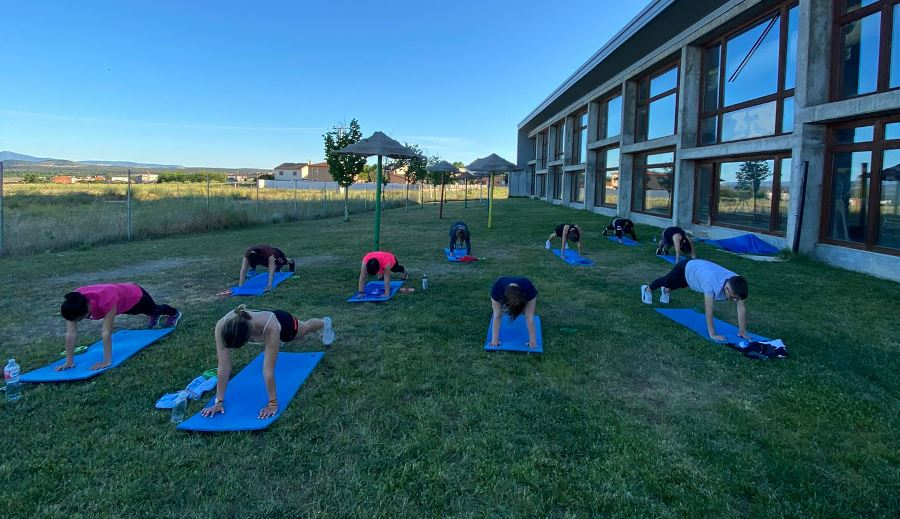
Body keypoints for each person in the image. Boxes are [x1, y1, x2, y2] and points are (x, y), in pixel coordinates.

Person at [201, 305, 334, 419]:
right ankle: (274, 343)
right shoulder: (221, 327)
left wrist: (273, 404)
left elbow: (268, 370)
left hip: (282, 323)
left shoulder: (270, 326)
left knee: (304, 329)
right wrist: (218, 402)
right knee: (272, 343)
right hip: (261, 327)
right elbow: (223, 367)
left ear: (249, 337)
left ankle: (324, 323)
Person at [58, 283, 182, 371]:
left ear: (89, 306)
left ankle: (174, 313)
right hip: (121, 301)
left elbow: (106, 332)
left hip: (135, 296)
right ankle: (153, 315)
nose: (82, 320)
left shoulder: (106, 299)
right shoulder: (74, 303)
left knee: (153, 309)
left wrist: (106, 361)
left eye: (82, 317)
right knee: (149, 312)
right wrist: (69, 361)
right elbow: (71, 333)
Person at [641, 259, 750, 342]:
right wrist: (712, 334)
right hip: (685, 269)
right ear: (726, 288)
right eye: (732, 297)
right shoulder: (710, 282)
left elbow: (741, 307)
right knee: (667, 281)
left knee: (679, 284)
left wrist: (742, 330)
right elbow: (709, 310)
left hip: (695, 275)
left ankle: (665, 291)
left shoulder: (737, 282)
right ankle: (647, 289)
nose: (734, 300)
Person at [489, 276, 539, 349]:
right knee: (497, 313)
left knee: (529, 315)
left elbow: (529, 317)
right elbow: (497, 315)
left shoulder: (528, 289)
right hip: (500, 288)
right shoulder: (497, 289)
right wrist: (494, 340)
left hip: (526, 290)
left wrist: (533, 342)